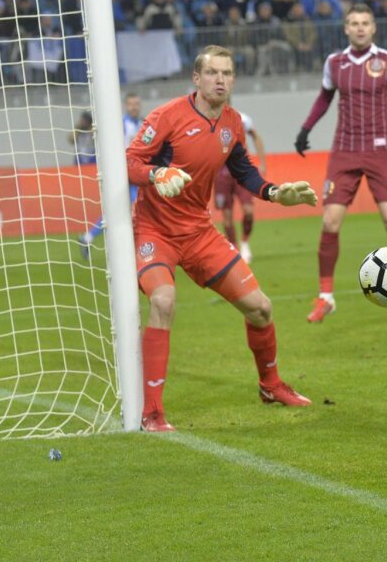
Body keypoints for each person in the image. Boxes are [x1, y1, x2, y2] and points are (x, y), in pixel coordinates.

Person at [126, 46, 318, 432]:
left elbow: (243, 170)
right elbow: (129, 161)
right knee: (163, 301)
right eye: (212, 73)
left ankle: (270, 385)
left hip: (199, 232)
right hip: (155, 232)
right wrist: (156, 176)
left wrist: (276, 193)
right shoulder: (166, 116)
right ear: (196, 78)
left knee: (261, 308)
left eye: (227, 74)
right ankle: (152, 412)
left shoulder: (231, 121)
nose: (220, 80)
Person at [294, 3, 387, 322]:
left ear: (373, 27)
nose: (360, 27)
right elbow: (325, 98)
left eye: (365, 22)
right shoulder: (334, 63)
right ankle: (325, 297)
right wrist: (306, 128)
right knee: (329, 222)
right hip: (344, 152)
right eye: (354, 23)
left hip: (380, 153)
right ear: (346, 28)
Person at [79, 94, 143, 257]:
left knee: (120, 210)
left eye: (136, 104)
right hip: (122, 172)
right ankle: (139, 246)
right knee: (136, 208)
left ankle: (88, 237)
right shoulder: (121, 124)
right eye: (131, 104)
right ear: (125, 106)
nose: (134, 107)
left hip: (137, 171)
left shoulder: (142, 123)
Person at [214, 99, 267, 264]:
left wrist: (262, 162)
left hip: (240, 171)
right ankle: (235, 248)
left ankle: (245, 243)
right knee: (227, 216)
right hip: (220, 173)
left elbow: (256, 137)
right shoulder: (208, 121)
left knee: (249, 211)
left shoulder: (242, 119)